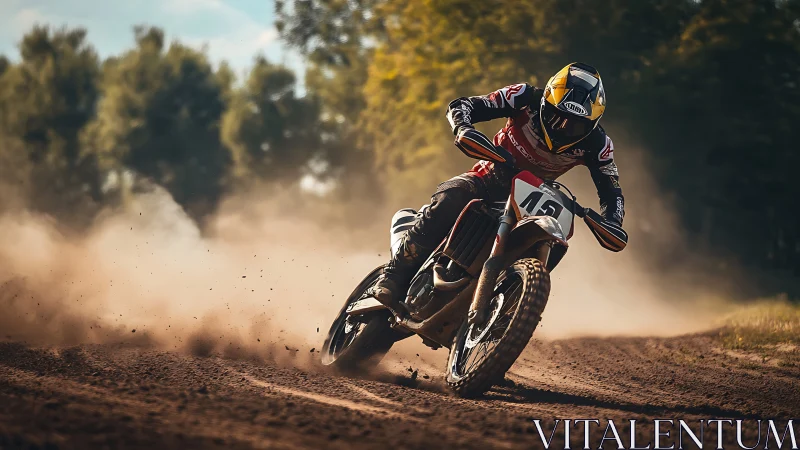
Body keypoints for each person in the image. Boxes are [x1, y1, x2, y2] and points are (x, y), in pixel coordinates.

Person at [370, 62, 625, 314]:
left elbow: (612, 191)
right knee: (454, 194)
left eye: (576, 124)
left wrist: (613, 220)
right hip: (490, 177)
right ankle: (394, 274)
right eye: (557, 117)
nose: (563, 128)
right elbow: (464, 105)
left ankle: (508, 308)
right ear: (546, 102)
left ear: (593, 122)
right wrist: (463, 128)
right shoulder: (524, 96)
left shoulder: (600, 144)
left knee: (555, 241)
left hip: (533, 202)